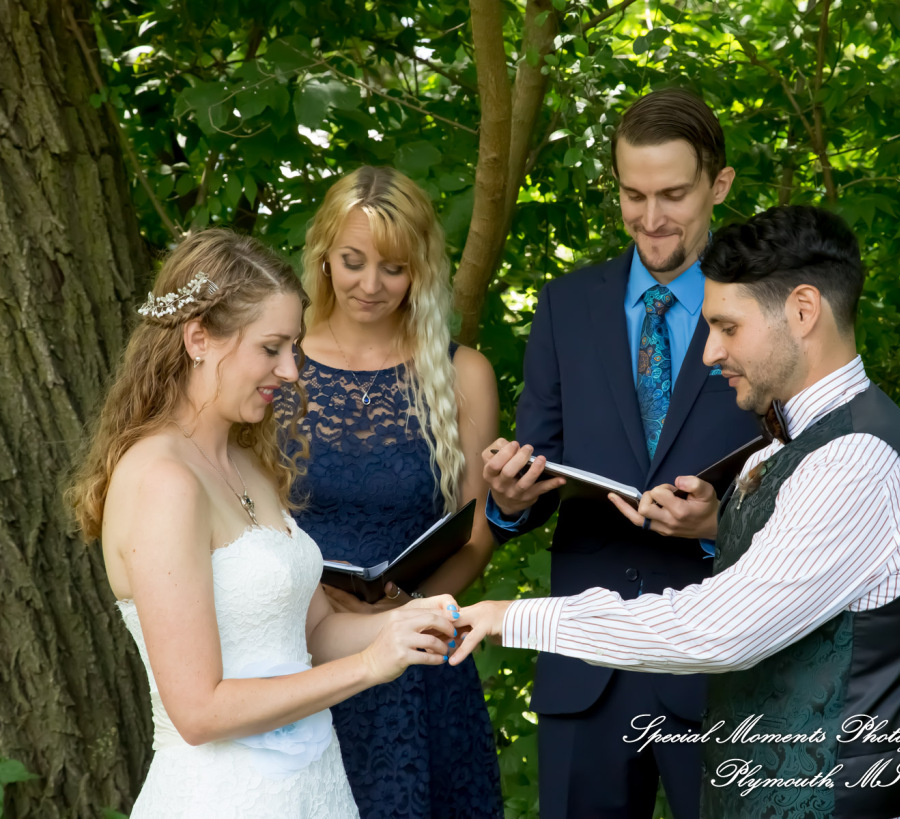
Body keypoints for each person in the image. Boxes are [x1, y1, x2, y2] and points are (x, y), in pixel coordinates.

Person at [455, 205, 900, 819]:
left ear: (803, 311)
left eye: (727, 327)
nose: (708, 352)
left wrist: (513, 617)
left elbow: (720, 632)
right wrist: (719, 528)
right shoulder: (789, 443)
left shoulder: (858, 462)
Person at [65, 229, 461, 818]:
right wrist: (371, 667)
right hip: (224, 798)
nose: (292, 370)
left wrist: (416, 622)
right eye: (271, 347)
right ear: (198, 338)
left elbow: (316, 634)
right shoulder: (162, 481)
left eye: (294, 347)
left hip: (315, 788)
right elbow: (199, 712)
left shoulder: (250, 464)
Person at [480, 87, 762, 818]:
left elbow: (807, 481)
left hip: (722, 657)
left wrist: (717, 527)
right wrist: (508, 502)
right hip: (587, 660)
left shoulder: (770, 309)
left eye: (673, 194)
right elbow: (534, 471)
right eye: (633, 195)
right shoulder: (564, 305)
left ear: (719, 185)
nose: (651, 217)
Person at [274, 166, 503, 819]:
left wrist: (412, 611)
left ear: (422, 270)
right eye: (352, 261)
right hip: (301, 654)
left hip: (421, 655)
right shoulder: (278, 365)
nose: (369, 284)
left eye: (393, 268)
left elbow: (479, 527)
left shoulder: (464, 372)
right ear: (323, 255)